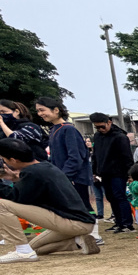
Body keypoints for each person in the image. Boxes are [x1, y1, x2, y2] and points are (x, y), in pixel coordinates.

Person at [0, 138, 99, 262]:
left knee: (1, 205)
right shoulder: (44, 166)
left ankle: (22, 251)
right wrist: (14, 178)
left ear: (13, 160)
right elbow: (27, 191)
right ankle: (77, 242)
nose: (4, 162)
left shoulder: (32, 173)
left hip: (71, 223)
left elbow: (17, 198)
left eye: (4, 159)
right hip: (81, 223)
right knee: (34, 248)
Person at [34, 98, 100, 242]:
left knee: (83, 204)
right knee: (71, 207)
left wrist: (65, 176)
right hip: (63, 177)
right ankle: (78, 234)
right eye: (38, 110)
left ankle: (94, 235)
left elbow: (75, 157)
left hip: (75, 177)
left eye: (42, 110)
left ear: (56, 110)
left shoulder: (68, 129)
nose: (40, 114)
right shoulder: (54, 130)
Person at [89, 112, 134, 233]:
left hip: (118, 172)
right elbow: (95, 154)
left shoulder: (120, 137)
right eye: (97, 127)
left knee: (120, 196)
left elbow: (127, 156)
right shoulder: (97, 136)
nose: (100, 129)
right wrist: (95, 171)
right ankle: (118, 222)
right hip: (104, 172)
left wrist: (130, 173)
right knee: (110, 197)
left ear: (109, 122)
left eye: (102, 126)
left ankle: (127, 224)